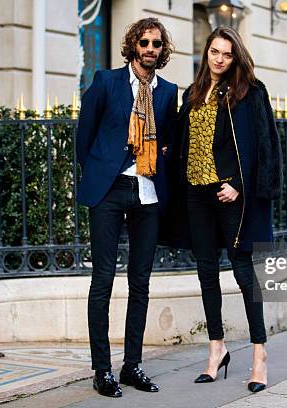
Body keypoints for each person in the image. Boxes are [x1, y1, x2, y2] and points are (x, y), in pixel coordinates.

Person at [167, 26, 282, 393]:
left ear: (236, 57)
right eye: (214, 52)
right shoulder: (194, 93)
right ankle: (216, 348)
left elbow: (264, 146)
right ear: (207, 54)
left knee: (243, 273)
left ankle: (259, 354)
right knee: (205, 273)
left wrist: (240, 185)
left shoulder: (250, 93)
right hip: (196, 193)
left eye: (226, 54)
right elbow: (185, 139)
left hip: (229, 192)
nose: (219, 59)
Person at [76, 17, 178, 398]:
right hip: (108, 190)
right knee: (102, 281)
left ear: (161, 50)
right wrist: (98, 173)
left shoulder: (168, 92)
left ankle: (132, 365)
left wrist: (161, 154)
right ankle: (102, 370)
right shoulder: (106, 82)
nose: (150, 49)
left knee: (141, 283)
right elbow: (84, 136)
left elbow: (168, 138)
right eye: (144, 42)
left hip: (147, 192)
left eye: (156, 44)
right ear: (133, 45)